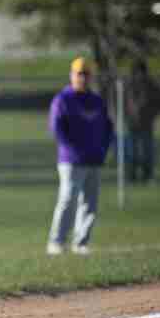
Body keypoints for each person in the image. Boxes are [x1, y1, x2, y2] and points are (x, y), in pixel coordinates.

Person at [46, 57, 114, 256]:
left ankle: (81, 242)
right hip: (71, 160)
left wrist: (103, 149)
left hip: (93, 159)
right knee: (67, 199)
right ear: (71, 75)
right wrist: (71, 148)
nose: (82, 77)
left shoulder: (96, 101)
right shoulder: (63, 99)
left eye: (85, 74)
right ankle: (56, 242)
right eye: (79, 74)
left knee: (90, 203)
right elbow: (56, 128)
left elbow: (108, 127)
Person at [124, 61, 160, 184]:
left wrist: (153, 114)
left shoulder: (151, 86)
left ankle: (147, 176)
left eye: (141, 73)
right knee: (132, 151)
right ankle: (131, 176)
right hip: (131, 123)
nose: (139, 76)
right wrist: (127, 114)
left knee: (147, 151)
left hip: (146, 123)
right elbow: (122, 101)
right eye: (137, 73)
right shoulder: (129, 85)